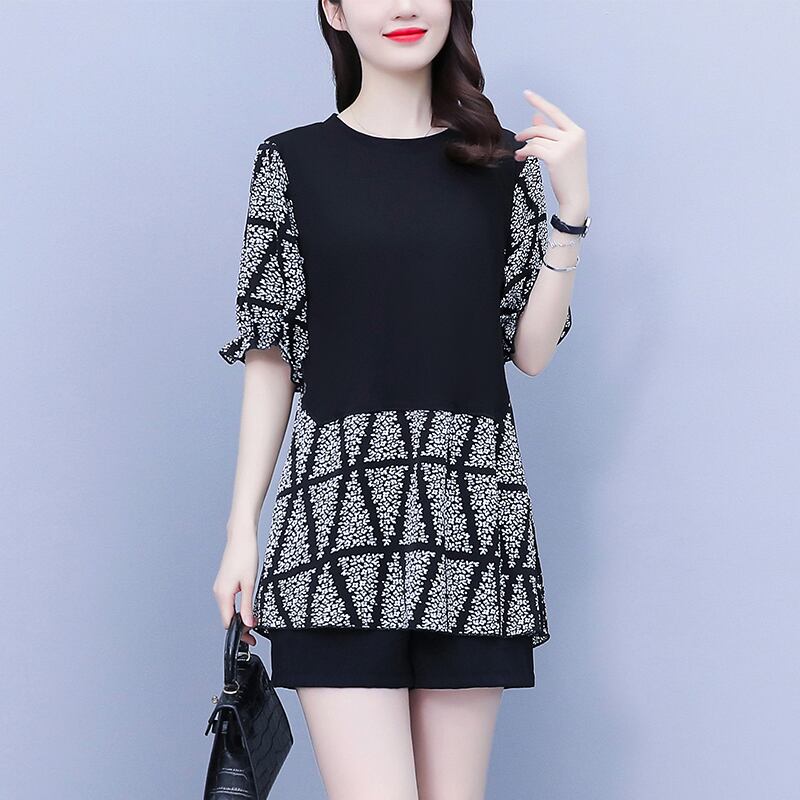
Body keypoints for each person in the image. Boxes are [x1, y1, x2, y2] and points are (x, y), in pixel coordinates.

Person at [213, 1, 590, 797]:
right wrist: (241, 530)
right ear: (333, 9)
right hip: (335, 526)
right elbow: (271, 357)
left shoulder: (502, 166)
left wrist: (571, 217)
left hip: (471, 520)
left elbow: (530, 353)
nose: (405, 5)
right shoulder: (291, 162)